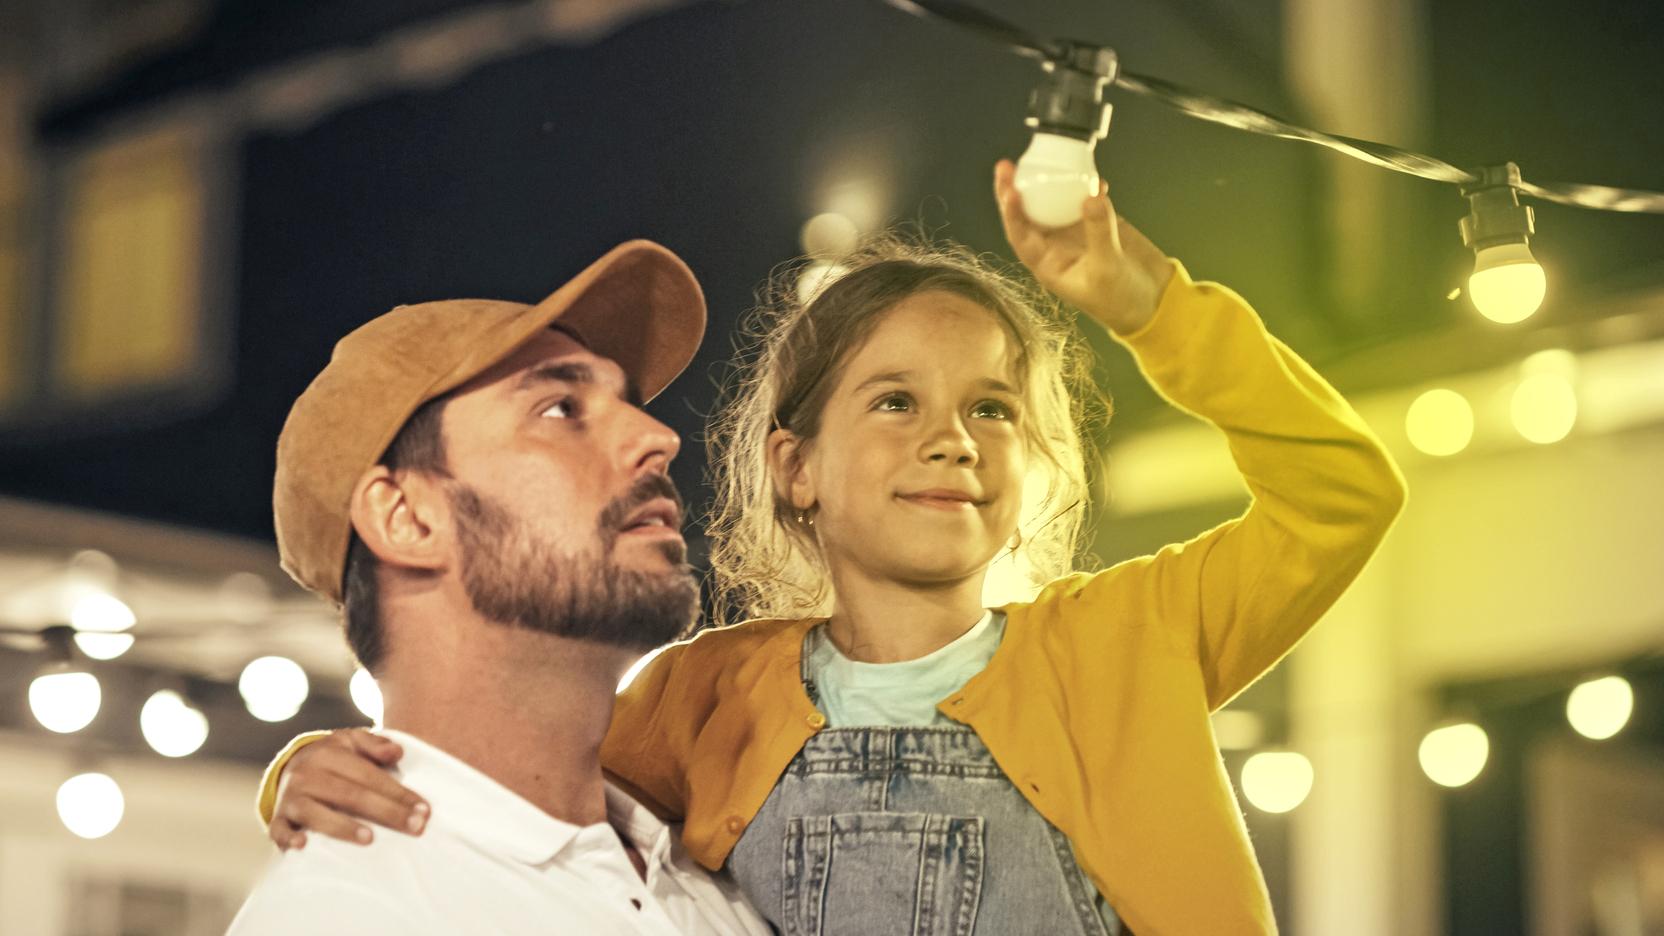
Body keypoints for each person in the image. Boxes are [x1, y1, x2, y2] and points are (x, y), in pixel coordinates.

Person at [257, 163, 1408, 934]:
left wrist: (1151, 301)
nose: (953, 440)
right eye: (896, 402)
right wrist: (324, 775)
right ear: (791, 466)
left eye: (995, 410)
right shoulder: (708, 697)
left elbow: (1339, 495)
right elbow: (511, 779)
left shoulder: (1126, 642)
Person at [227, 240, 770, 935]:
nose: (659, 435)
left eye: (628, 402)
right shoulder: (349, 915)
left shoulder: (717, 881)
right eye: (558, 410)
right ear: (407, 517)